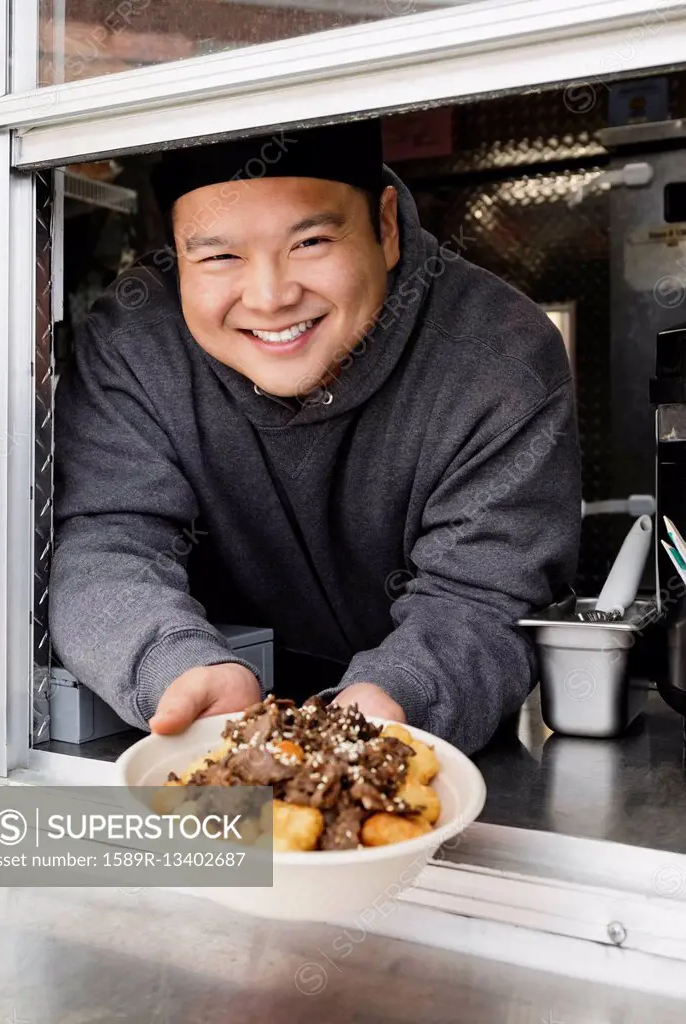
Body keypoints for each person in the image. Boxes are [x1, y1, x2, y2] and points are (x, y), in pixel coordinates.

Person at [49, 118, 581, 755]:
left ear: (384, 226)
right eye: (219, 255)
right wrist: (176, 665)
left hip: (429, 745)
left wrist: (393, 699)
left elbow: (483, 594)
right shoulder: (135, 341)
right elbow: (109, 541)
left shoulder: (500, 359)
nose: (271, 297)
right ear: (176, 251)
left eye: (311, 242)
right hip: (210, 731)